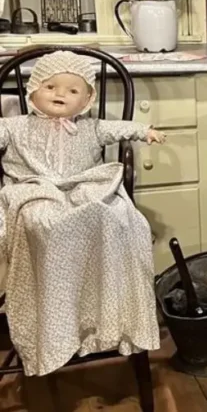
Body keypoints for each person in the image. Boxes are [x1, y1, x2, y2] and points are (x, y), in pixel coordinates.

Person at [0, 51, 165, 376]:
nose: (60, 94)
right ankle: (53, 323)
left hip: (83, 186)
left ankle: (104, 315)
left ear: (87, 99)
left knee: (116, 215)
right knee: (39, 220)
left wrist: (144, 130)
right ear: (33, 90)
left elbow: (118, 129)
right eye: (49, 86)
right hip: (35, 189)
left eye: (72, 90)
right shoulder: (16, 127)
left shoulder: (91, 128)